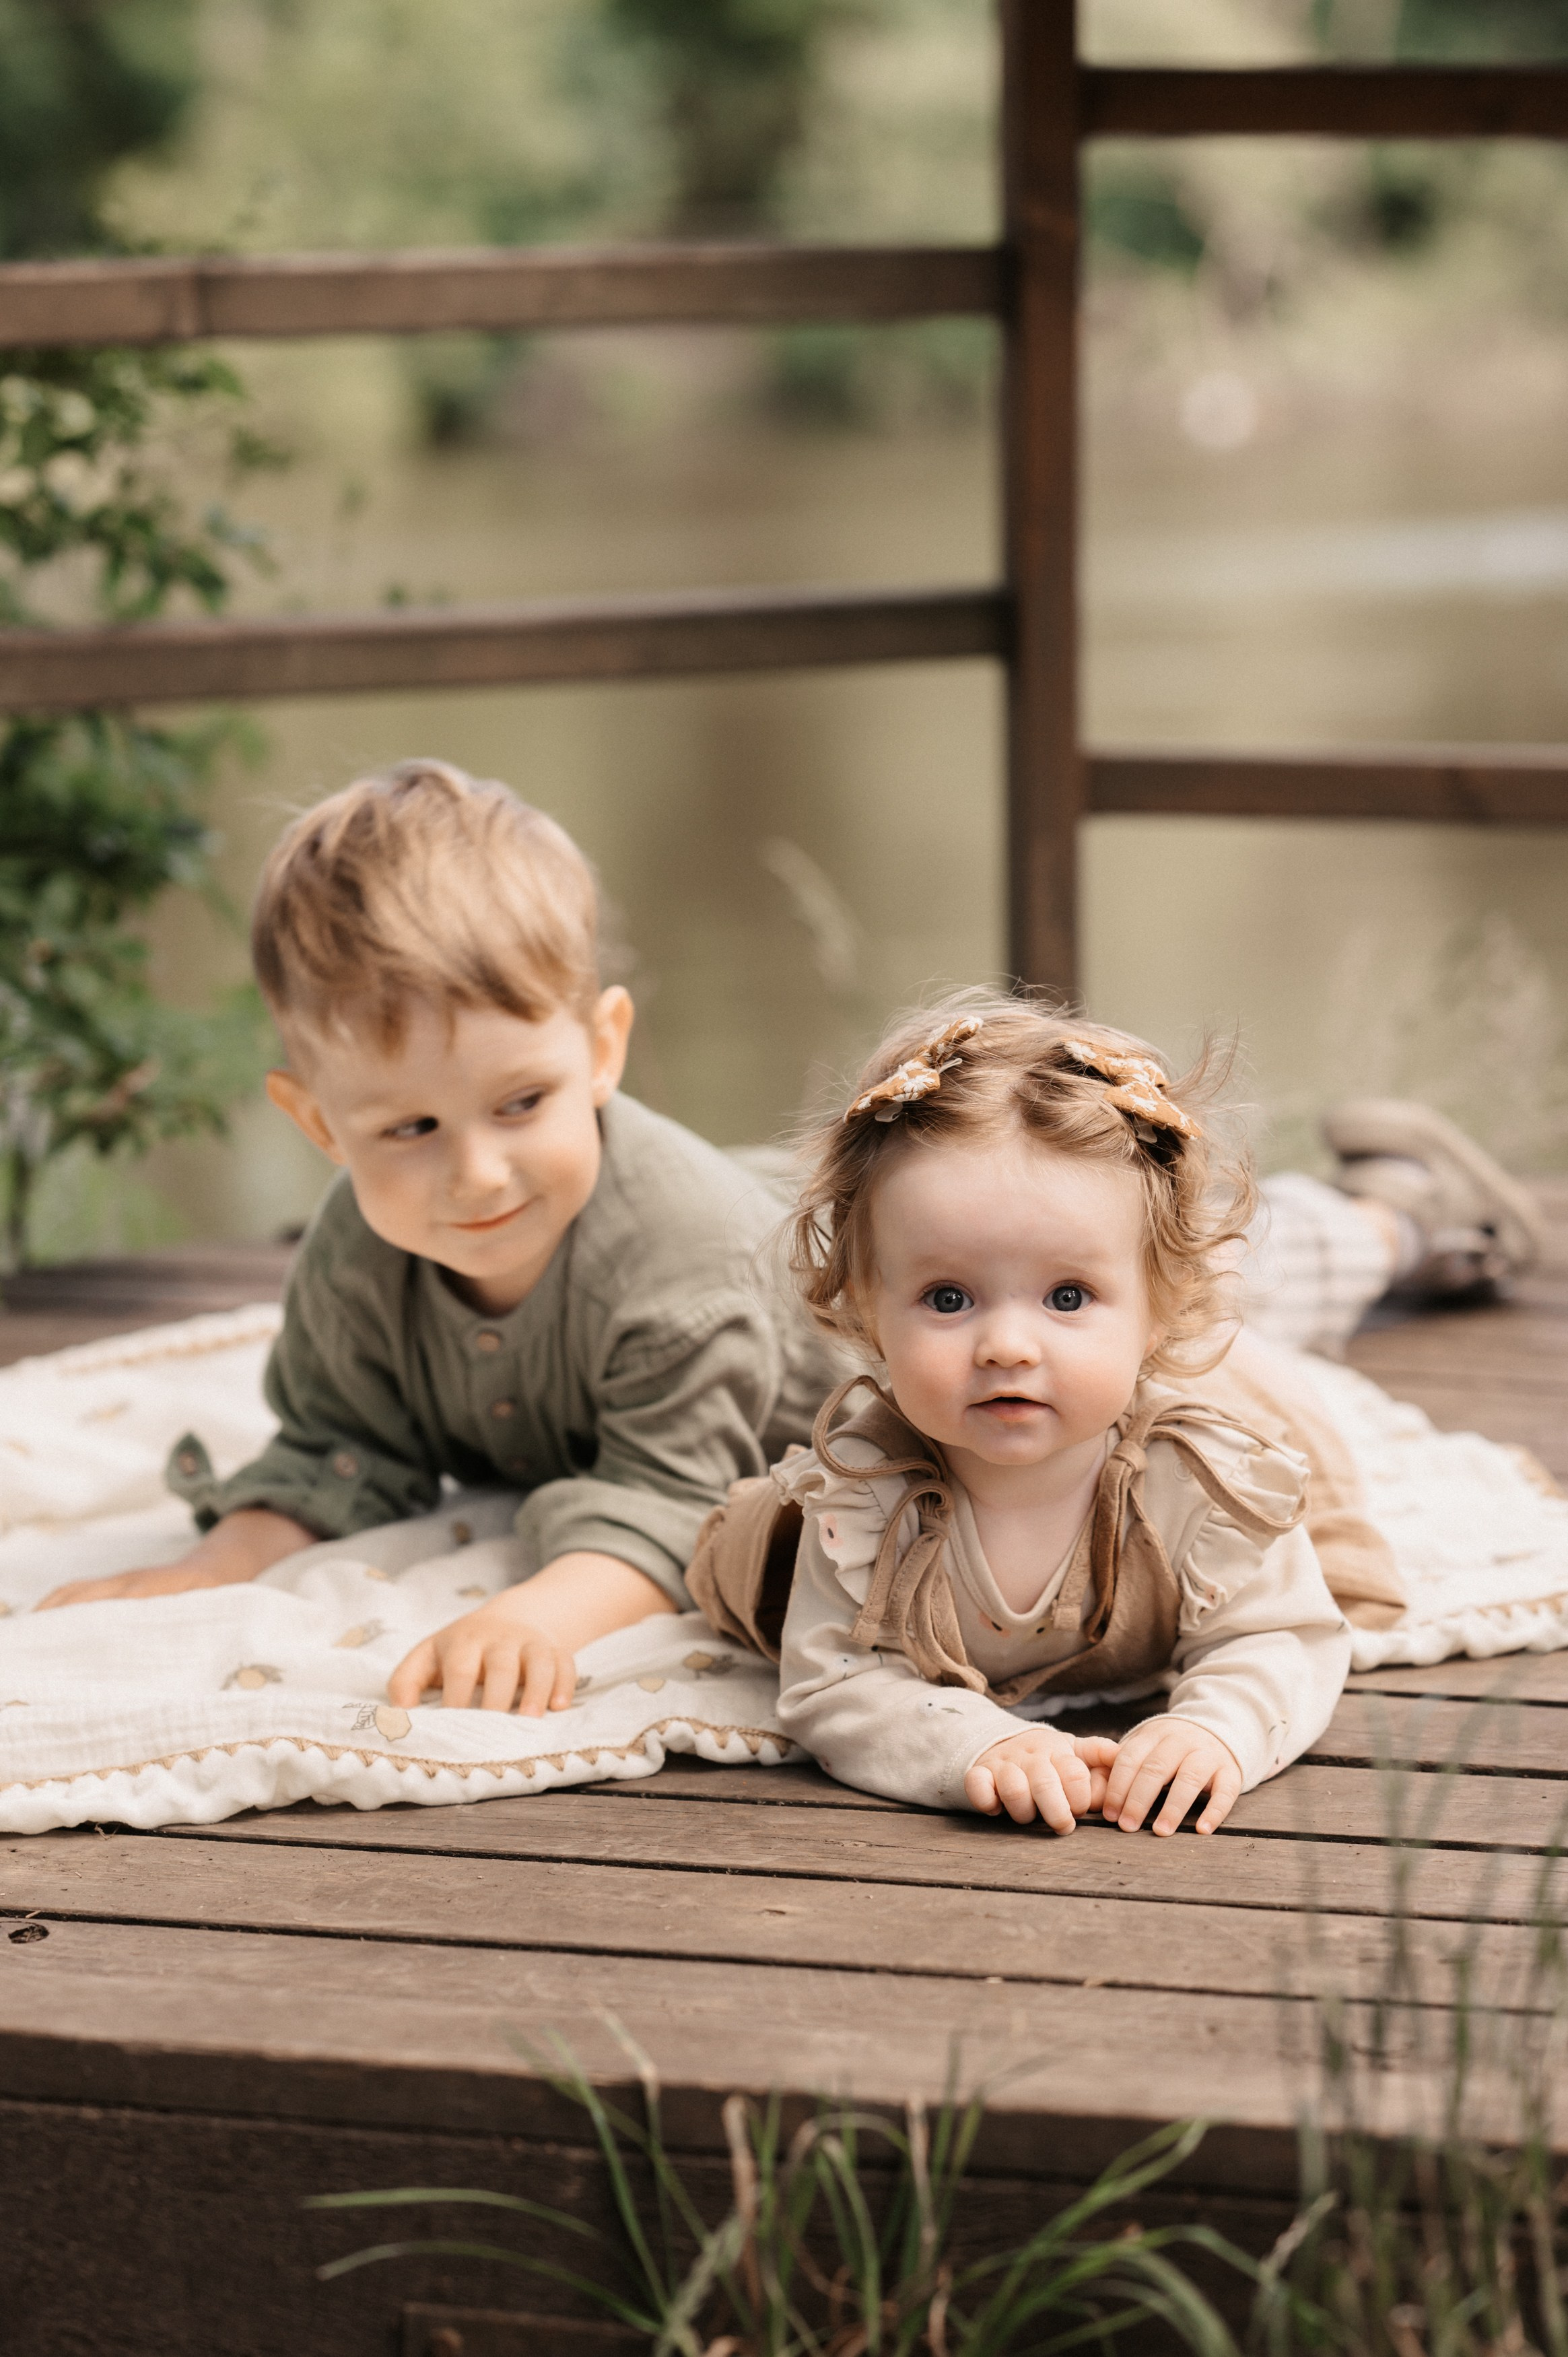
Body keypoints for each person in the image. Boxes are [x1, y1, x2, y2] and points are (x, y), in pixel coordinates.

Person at [35, 760, 840, 1717]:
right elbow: (343, 1444)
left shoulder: (683, 1267)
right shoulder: (356, 1256)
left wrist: (534, 1616)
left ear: (602, 1050)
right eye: (410, 1129)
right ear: (321, 1124)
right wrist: (220, 1558)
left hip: (811, 1393)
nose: (478, 1173)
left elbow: (674, 1507)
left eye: (521, 1103)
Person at [714, 993, 1542, 1840]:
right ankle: (1384, 1217)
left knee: (1314, 1460)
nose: (1006, 1344)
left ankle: (1404, 1219)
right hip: (1146, 1357)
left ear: (1160, 1309)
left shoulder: (1203, 1477)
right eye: (947, 1297)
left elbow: (1281, 1635)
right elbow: (837, 1681)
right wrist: (976, 1744)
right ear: (865, 1307)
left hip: (1238, 1383)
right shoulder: (862, 1491)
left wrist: (1215, 1726)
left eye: (1065, 1295)